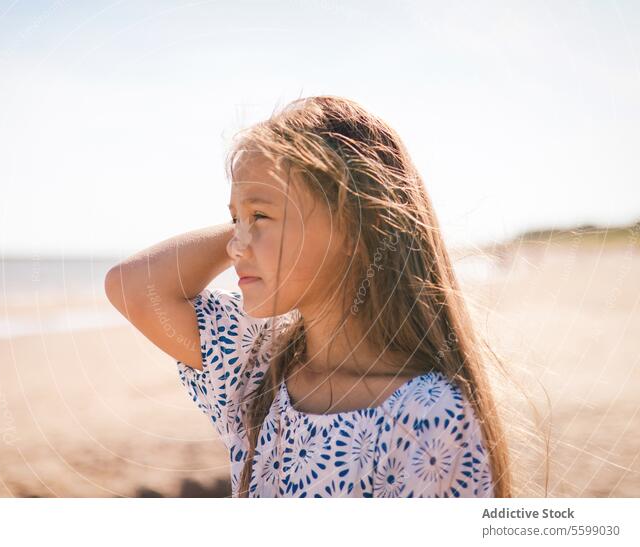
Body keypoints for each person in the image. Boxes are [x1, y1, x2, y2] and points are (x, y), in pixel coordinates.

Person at [105, 95, 512, 497]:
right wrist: (250, 216)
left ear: (354, 225)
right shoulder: (256, 366)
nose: (235, 247)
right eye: (233, 221)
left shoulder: (429, 417)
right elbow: (133, 286)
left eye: (261, 216)